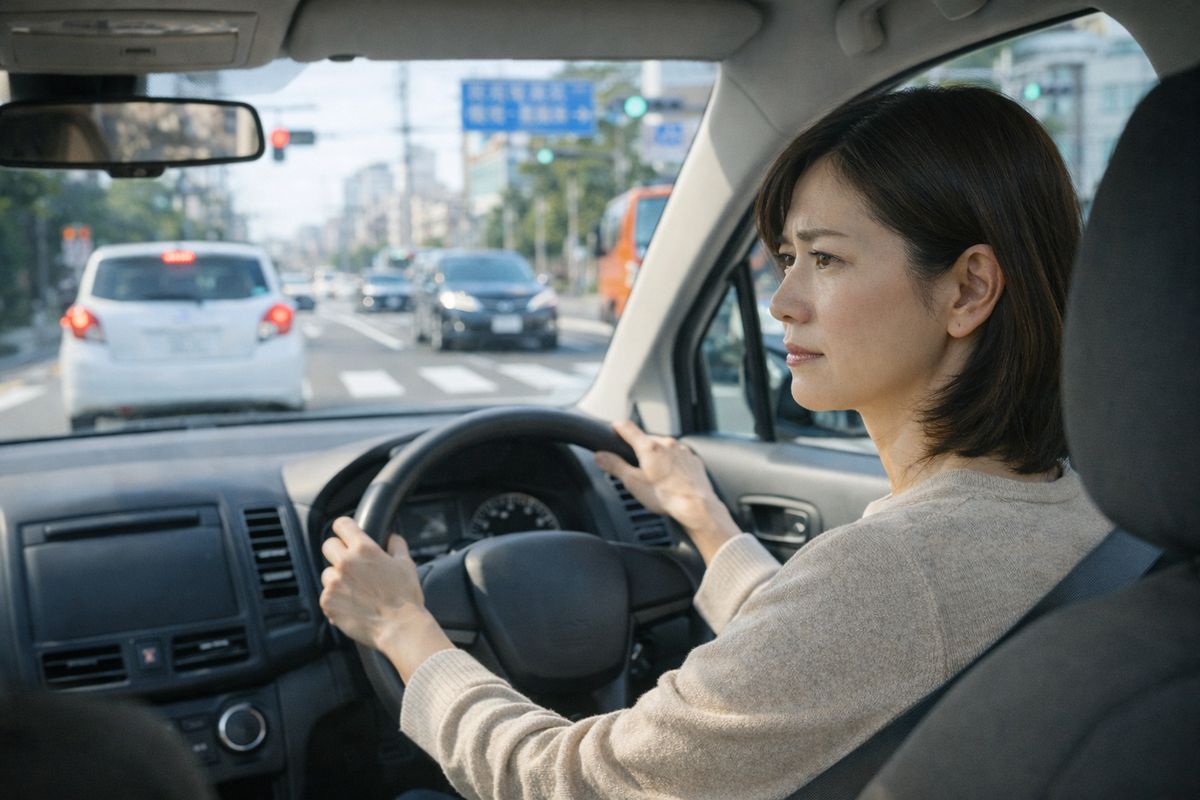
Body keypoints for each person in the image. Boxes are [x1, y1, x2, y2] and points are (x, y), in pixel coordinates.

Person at [318, 85, 1111, 799]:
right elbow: (827, 655)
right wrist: (704, 519)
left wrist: (402, 626)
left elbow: (570, 782)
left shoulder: (897, 570)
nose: (783, 301)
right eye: (788, 259)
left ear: (968, 289)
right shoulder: (1084, 512)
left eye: (826, 258)